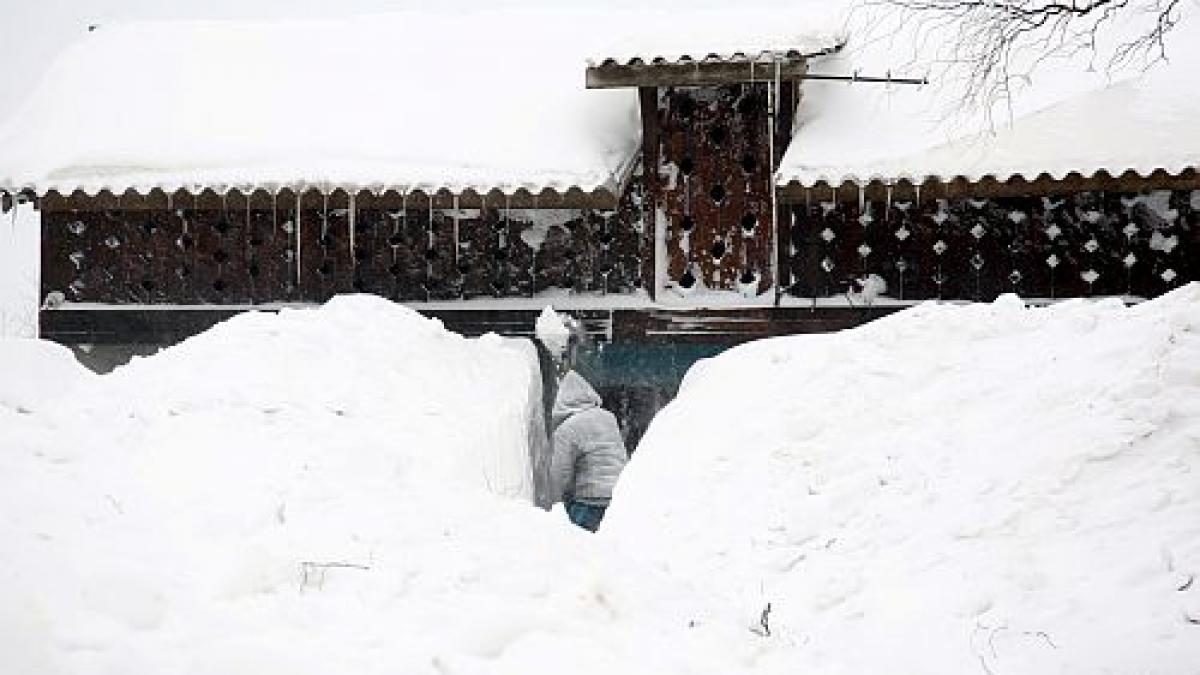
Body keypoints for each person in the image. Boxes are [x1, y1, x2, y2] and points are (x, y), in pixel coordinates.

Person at [549, 370, 627, 532]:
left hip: (588, 501)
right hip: (620, 498)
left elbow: (559, 474)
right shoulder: (608, 418)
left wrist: (555, 505)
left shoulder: (567, 429)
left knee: (577, 550)